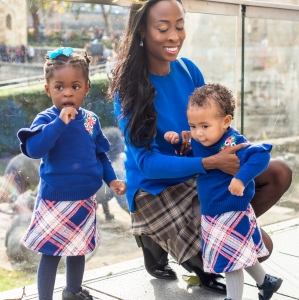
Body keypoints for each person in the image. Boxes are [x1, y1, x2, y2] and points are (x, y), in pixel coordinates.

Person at [108, 0, 292, 295]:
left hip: (202, 175)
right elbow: (146, 163)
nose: (174, 36)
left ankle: (219, 239)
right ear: (142, 30)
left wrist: (233, 151)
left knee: (279, 172)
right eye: (163, 28)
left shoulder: (189, 70)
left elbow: (217, 126)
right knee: (261, 250)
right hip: (155, 187)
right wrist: (211, 163)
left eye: (179, 26)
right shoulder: (129, 87)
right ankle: (165, 242)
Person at [17, 47, 126, 300]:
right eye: (59, 87)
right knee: (51, 253)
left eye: (75, 86)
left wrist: (111, 179)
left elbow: (100, 155)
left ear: (86, 88)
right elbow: (34, 149)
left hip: (84, 199)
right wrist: (58, 123)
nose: (67, 92)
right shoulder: (46, 118)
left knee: (78, 249)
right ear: (48, 90)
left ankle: (73, 292)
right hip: (55, 200)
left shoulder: (90, 121)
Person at [164, 83, 283, 300]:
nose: (198, 133)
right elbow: (194, 156)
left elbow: (261, 154)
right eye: (192, 126)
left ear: (226, 121)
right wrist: (178, 141)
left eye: (204, 126)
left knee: (230, 262)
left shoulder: (232, 141)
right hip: (212, 211)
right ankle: (266, 282)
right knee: (239, 254)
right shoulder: (202, 140)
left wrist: (241, 177)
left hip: (231, 210)